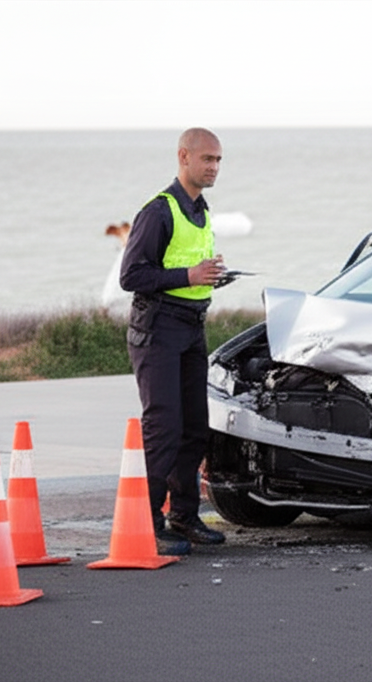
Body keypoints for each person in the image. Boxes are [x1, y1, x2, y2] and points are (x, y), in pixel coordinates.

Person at [120, 128, 228, 553]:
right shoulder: (159, 211)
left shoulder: (201, 211)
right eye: (208, 159)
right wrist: (188, 276)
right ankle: (148, 523)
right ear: (184, 157)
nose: (214, 167)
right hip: (157, 330)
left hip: (191, 327)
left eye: (219, 160)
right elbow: (132, 276)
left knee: (194, 428)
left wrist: (210, 277)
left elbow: (188, 269)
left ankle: (184, 517)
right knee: (163, 428)